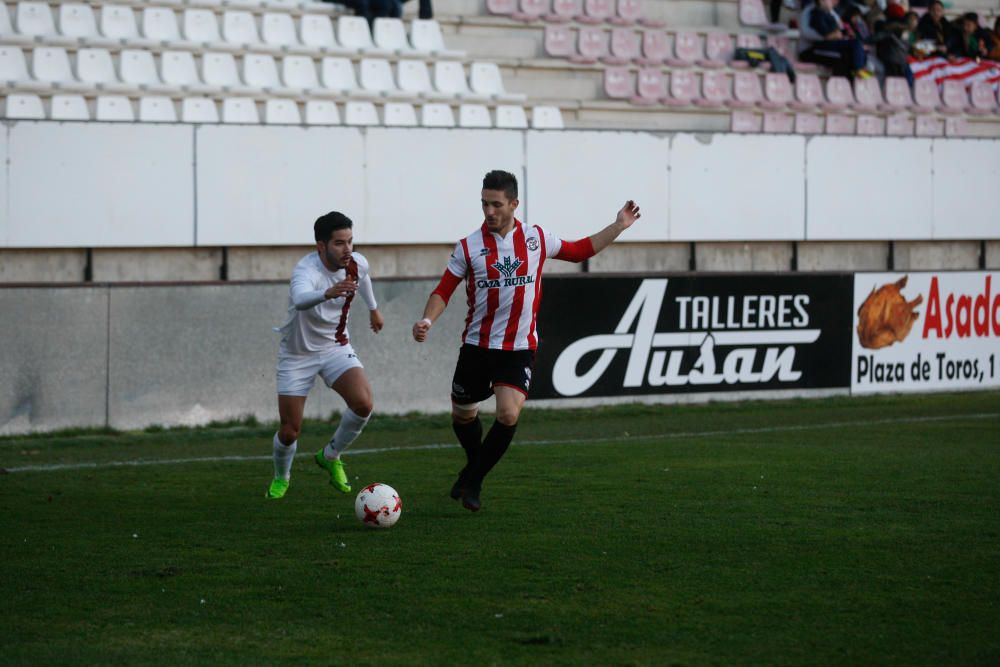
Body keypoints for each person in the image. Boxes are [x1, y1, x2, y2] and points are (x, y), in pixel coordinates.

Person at [411, 170, 641, 512]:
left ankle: (473, 481)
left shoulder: (536, 239)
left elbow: (579, 251)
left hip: (518, 349)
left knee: (507, 414)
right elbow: (443, 290)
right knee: (462, 417)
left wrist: (618, 226)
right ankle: (474, 467)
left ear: (514, 204)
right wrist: (427, 319)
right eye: (484, 204)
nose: (489, 211)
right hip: (477, 347)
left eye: (497, 204)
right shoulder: (468, 246)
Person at [266, 211, 384, 500]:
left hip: (335, 347)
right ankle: (282, 476)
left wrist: (373, 308)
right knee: (290, 431)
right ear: (321, 246)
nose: (347, 250)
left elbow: (364, 277)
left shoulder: (356, 263)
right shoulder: (306, 271)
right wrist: (328, 293)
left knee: (363, 403)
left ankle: (330, 455)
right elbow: (300, 299)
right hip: (297, 355)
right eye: (339, 244)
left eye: (350, 242)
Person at [798, 0, 870, 78]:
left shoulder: (831, 12)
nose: (832, 1)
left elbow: (839, 30)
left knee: (854, 52)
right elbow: (806, 32)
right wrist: (827, 36)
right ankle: (841, 83)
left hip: (829, 44)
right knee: (843, 56)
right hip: (811, 49)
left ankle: (851, 82)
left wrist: (843, 35)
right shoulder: (811, 11)